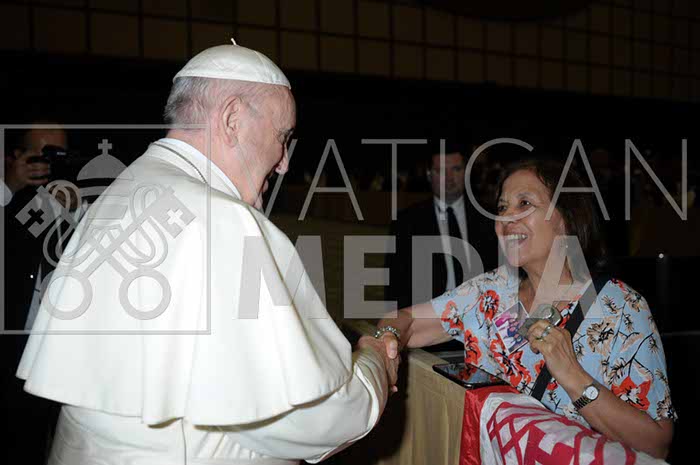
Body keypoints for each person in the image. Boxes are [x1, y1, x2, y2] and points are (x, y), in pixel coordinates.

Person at [16, 42, 399, 464]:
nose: (284, 163)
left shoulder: (121, 191)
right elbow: (309, 417)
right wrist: (373, 364)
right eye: (282, 137)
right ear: (232, 119)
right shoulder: (224, 220)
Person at [376, 158, 675, 459]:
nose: (506, 218)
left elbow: (655, 443)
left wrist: (573, 376)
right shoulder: (490, 292)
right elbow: (406, 321)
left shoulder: (620, 308)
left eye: (524, 204)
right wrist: (387, 341)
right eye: (502, 207)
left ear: (565, 218)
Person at [1, 126, 68, 464]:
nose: (51, 163)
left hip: (45, 350)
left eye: (60, 155)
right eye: (44, 154)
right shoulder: (7, 195)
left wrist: (73, 210)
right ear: (14, 157)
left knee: (35, 437)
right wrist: (8, 185)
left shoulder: (63, 197)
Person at [385, 149, 498, 311]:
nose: (449, 178)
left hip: (481, 313)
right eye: (441, 171)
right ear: (429, 174)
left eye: (456, 169)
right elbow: (395, 283)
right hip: (426, 317)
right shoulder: (406, 223)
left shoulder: (489, 217)